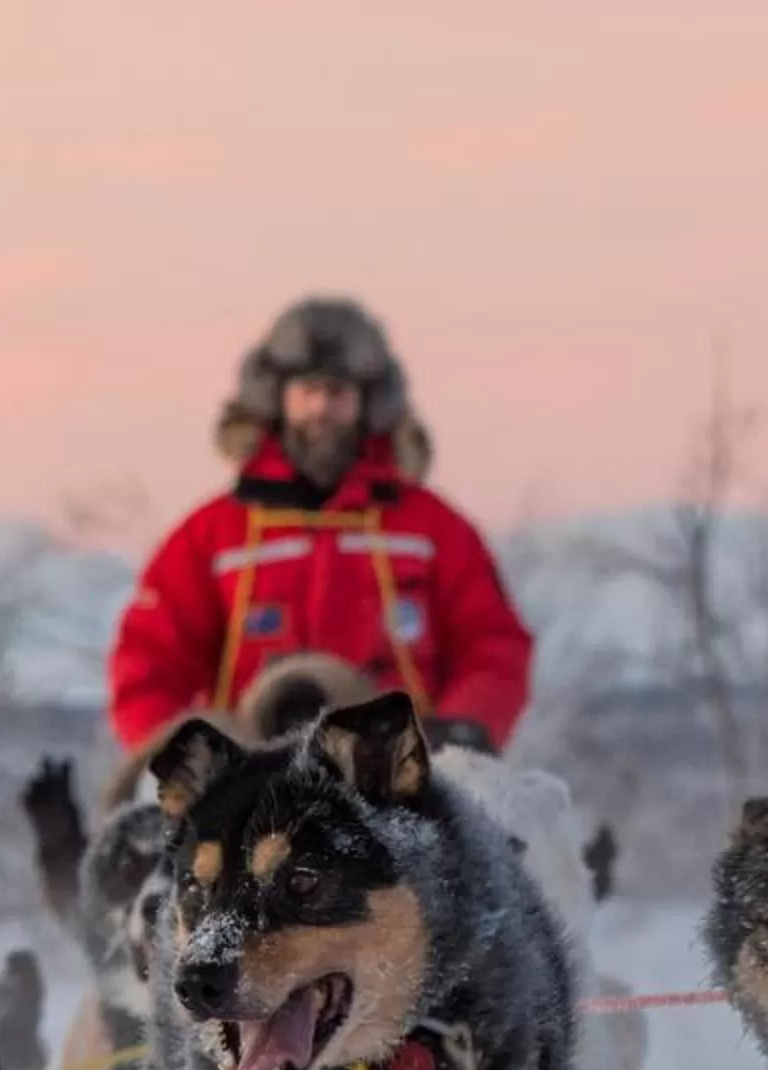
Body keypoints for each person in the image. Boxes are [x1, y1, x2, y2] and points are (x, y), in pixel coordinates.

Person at [104, 297, 535, 774]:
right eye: (306, 390)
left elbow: (493, 645)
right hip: (249, 788)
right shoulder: (213, 535)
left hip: (400, 782)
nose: (321, 408)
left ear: (369, 404)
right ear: (276, 399)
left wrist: (465, 727)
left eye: (338, 392)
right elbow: (148, 660)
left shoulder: (432, 530)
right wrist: (180, 755)